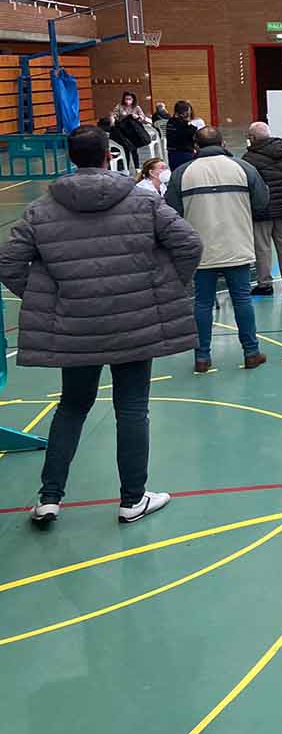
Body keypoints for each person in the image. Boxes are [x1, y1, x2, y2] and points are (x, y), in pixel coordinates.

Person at [0, 125, 203, 527]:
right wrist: (161, 289)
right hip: (135, 323)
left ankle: (49, 498)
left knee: (71, 407)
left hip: (75, 328)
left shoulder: (42, 209)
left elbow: (8, 262)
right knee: (131, 408)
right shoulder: (142, 202)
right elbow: (189, 244)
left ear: (70, 158)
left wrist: (48, 300)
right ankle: (132, 499)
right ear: (109, 157)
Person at [167, 126, 269, 373]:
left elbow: (171, 209)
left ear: (195, 146)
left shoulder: (182, 173)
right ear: (223, 143)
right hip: (237, 244)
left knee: (202, 303)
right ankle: (251, 352)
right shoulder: (243, 168)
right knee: (242, 299)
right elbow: (262, 201)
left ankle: (202, 358)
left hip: (201, 249)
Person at [243, 121, 282, 295]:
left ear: (252, 138)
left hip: (263, 209)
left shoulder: (249, 159)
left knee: (262, 246)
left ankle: (265, 283)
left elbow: (248, 184)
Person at [166, 100, 199, 170]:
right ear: (184, 113)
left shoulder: (170, 121)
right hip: (185, 154)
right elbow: (194, 137)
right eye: (189, 112)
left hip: (172, 154)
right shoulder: (187, 127)